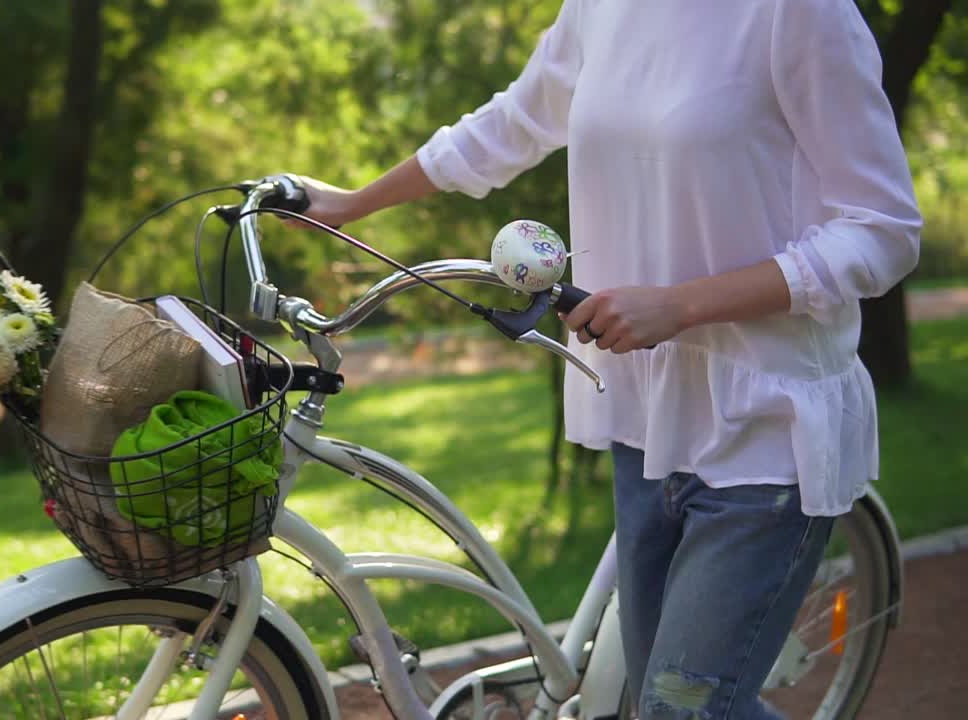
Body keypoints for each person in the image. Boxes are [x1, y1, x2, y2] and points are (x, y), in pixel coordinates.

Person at [291, 1, 921, 717]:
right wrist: (351, 204)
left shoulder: (798, 12)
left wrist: (680, 304)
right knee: (671, 703)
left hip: (766, 427)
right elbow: (511, 123)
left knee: (678, 708)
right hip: (644, 422)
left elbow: (883, 232)